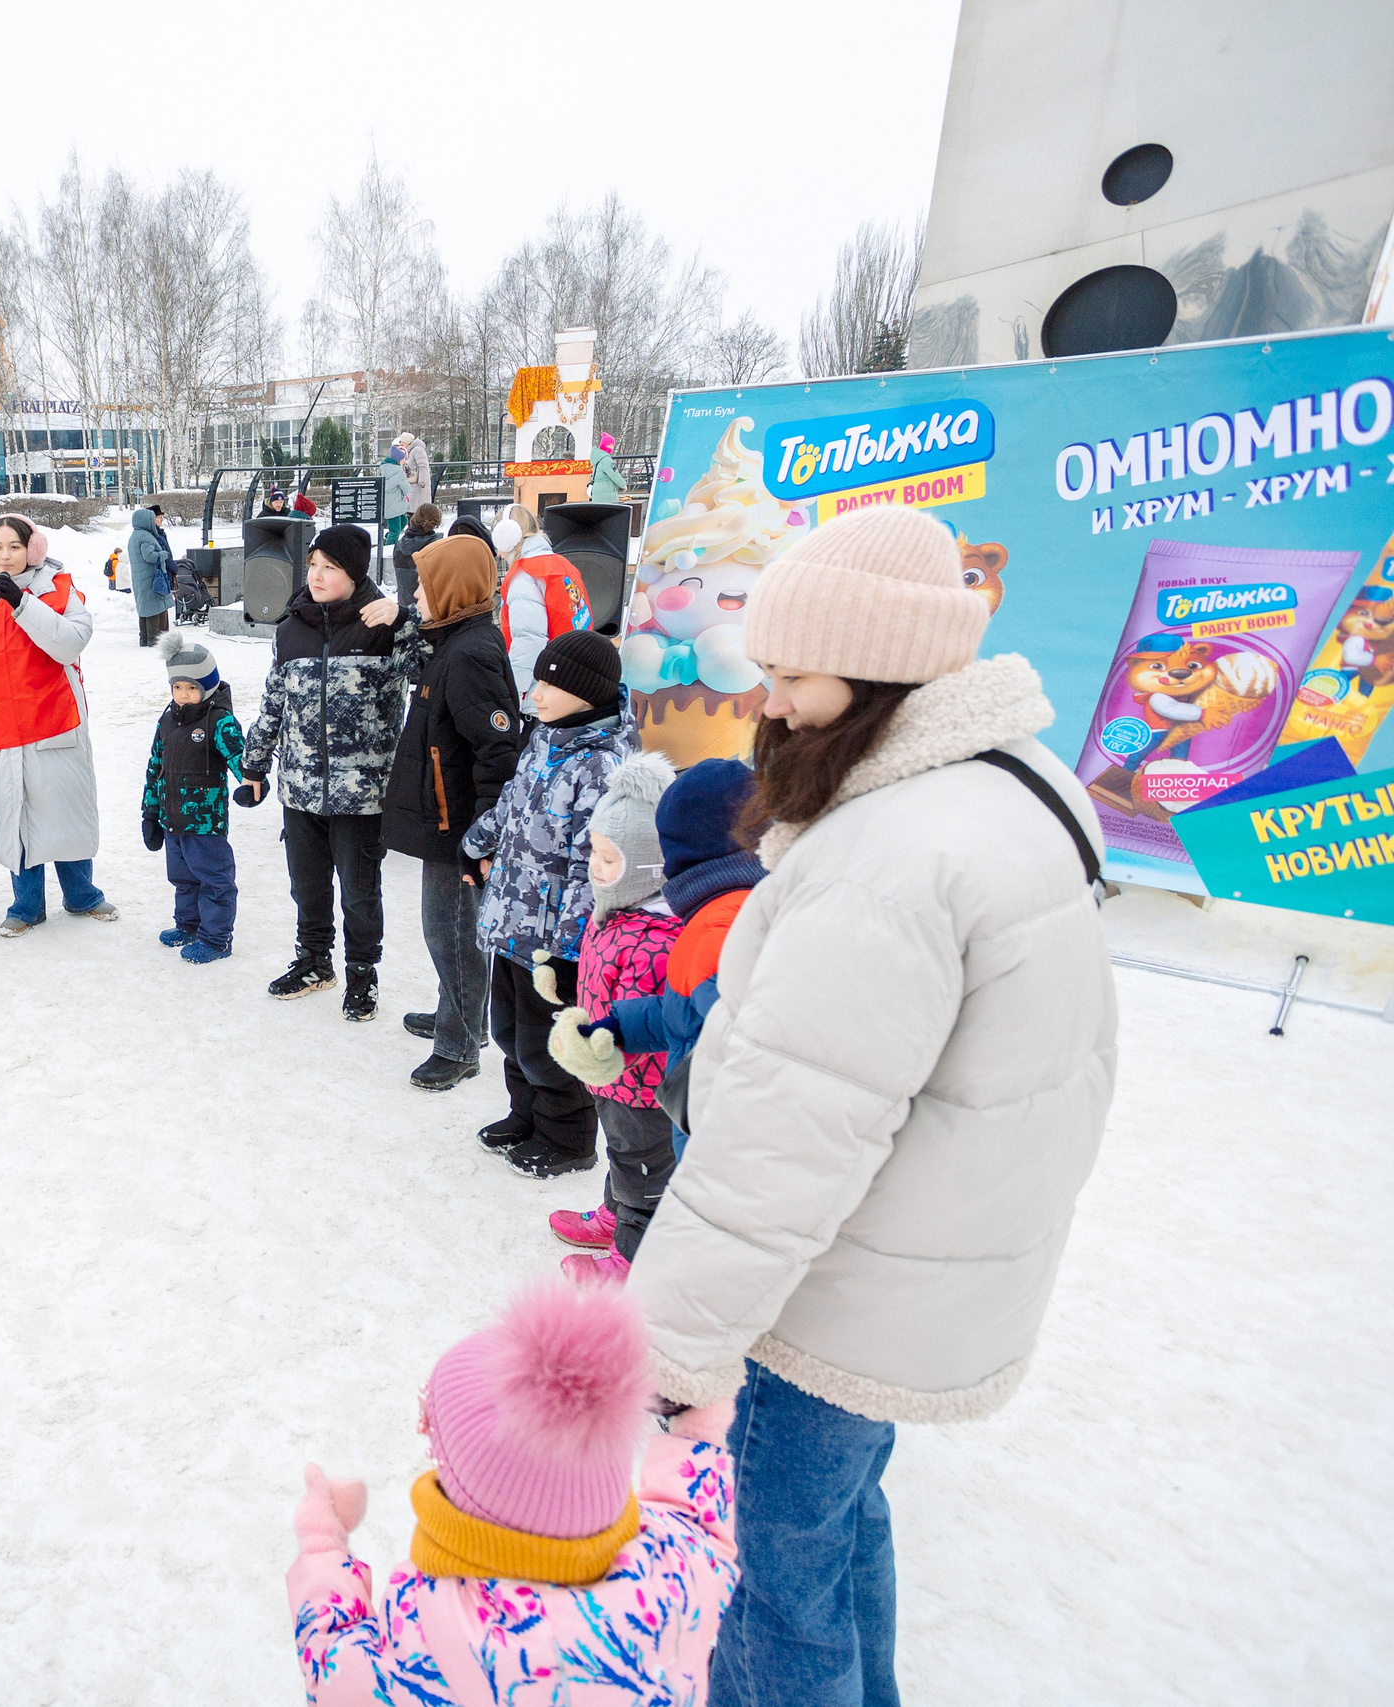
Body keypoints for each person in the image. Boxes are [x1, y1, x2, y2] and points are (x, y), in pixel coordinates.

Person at [628, 506, 1114, 1704]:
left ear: (880, 667)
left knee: (765, 1580)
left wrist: (672, 1345)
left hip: (833, 1294)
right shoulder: (1012, 782)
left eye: (794, 676)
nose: (770, 703)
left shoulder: (890, 859)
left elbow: (787, 1137)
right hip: (913, 1272)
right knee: (833, 1531)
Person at [287, 1279, 739, 1706]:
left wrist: (323, 1543)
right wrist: (701, 1425)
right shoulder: (675, 1571)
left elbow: (339, 1673)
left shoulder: (430, 1629)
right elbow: (698, 1515)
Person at [458, 629, 631, 1175]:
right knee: (511, 1033)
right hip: (516, 918)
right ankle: (526, 1116)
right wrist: (475, 844)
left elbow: (592, 868)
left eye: (548, 685)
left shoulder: (602, 764)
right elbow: (512, 805)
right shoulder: (544, 738)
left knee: (550, 1041)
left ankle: (569, 1138)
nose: (534, 693)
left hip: (555, 938)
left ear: (586, 693)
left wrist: (569, 949)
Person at [240, 523, 417, 1021]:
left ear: (355, 574)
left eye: (330, 568)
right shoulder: (291, 627)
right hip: (300, 789)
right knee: (308, 885)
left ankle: (362, 974)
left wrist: (406, 620)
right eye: (313, 565)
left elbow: (433, 667)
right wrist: (254, 763)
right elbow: (274, 701)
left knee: (359, 893)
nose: (316, 576)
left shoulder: (382, 625)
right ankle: (314, 962)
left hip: (362, 794)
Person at [552, 758, 763, 1168]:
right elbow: (684, 1011)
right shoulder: (714, 914)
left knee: (644, 1188)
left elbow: (742, 1053)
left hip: (716, 1148)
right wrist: (622, 1027)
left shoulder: (719, 927)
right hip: (696, 1124)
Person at [382, 535, 520, 1091]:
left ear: (452, 590)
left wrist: (483, 836)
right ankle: (458, 1016)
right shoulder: (455, 643)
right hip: (446, 817)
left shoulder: (469, 656)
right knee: (449, 930)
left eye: (423, 586)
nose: (414, 595)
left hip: (459, 825)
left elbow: (497, 753)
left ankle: (459, 1045)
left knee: (453, 934)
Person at [0, 514, 119, 937]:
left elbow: (70, 642)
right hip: (0, 730)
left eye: (15, 546)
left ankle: (82, 895)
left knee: (66, 814)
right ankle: (26, 906)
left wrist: (22, 604)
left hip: (56, 722)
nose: (5, 555)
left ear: (32, 549)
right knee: (16, 820)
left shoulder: (59, 589)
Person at [545, 749, 680, 1283]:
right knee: (622, 1152)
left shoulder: (659, 941)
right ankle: (614, 1214)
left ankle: (631, 1259)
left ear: (650, 865)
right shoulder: (617, 914)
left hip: (644, 1088)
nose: (594, 868)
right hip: (612, 1077)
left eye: (608, 858)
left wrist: (604, 1054)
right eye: (595, 854)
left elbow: (652, 1024)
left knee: (643, 1171)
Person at [142, 630, 245, 963]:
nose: (183, 695)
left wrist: (251, 781)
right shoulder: (167, 720)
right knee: (183, 879)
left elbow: (240, 758)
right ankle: (188, 926)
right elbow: (155, 768)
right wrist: (150, 813)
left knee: (214, 880)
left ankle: (216, 939)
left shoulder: (219, 721)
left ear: (208, 686)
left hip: (204, 824)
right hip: (173, 820)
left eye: (191, 687)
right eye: (177, 687)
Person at [493, 505, 592, 690]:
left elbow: (528, 641)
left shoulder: (523, 577)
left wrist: (512, 692)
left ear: (507, 537)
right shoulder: (562, 564)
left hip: (543, 685)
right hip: (573, 674)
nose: (498, 553)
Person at [126, 505, 172, 647]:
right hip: (150, 577)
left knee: (144, 608)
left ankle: (144, 638)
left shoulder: (134, 536)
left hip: (140, 578)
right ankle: (154, 639)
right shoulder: (146, 537)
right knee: (153, 608)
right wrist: (163, 554)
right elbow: (150, 556)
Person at [391, 502, 441, 611]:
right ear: (436, 521)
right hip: (429, 609)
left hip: (405, 608)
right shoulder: (436, 546)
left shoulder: (399, 545)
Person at [395, 430, 433, 512]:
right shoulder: (412, 450)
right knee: (414, 508)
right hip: (415, 483)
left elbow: (423, 466)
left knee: (416, 508)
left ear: (407, 442)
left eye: (402, 443)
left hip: (418, 484)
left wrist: (422, 482)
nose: (400, 445)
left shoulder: (417, 450)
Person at [591, 431, 624, 504]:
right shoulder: (607, 460)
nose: (612, 447)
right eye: (609, 445)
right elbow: (614, 474)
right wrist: (623, 485)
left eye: (613, 445)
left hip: (597, 491)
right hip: (607, 493)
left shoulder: (597, 459)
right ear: (604, 445)